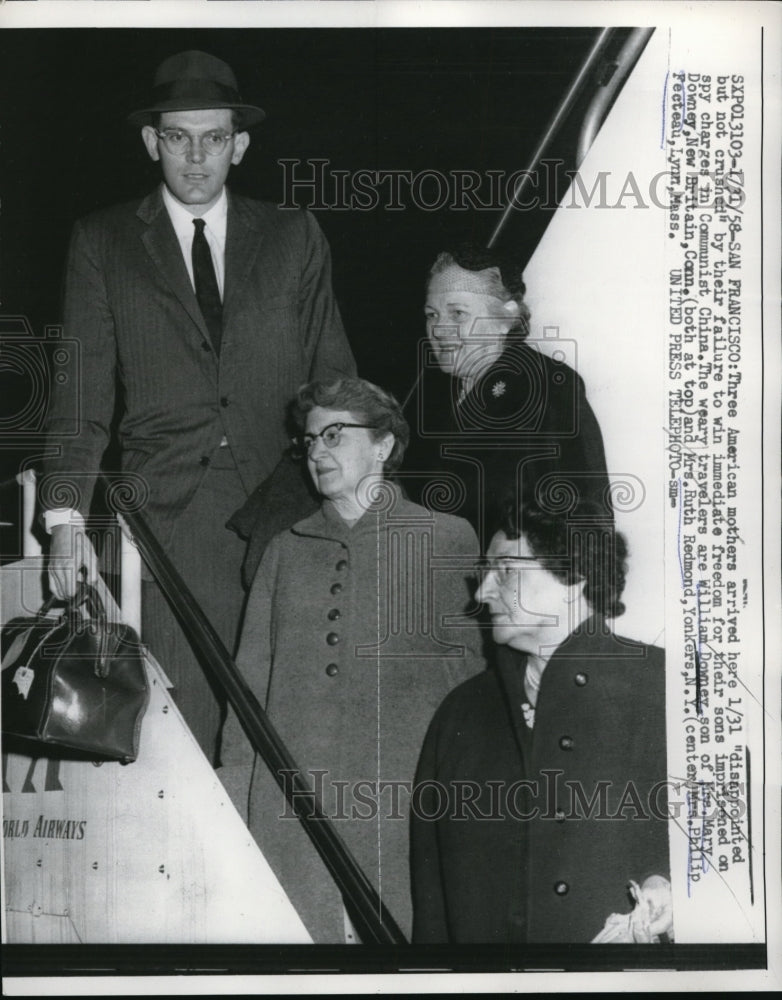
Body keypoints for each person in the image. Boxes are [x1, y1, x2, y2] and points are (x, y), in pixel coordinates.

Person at [39, 50, 356, 765]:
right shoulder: (103, 242)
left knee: (290, 730)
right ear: (152, 141)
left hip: (286, 511)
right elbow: (81, 395)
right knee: (180, 738)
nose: (196, 156)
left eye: (213, 138)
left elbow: (333, 379)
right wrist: (64, 521)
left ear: (239, 146)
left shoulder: (294, 235)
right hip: (170, 525)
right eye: (178, 137)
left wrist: (351, 494)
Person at [220, 377, 485, 943]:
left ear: (383, 445)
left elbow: (473, 685)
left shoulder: (446, 539)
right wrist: (236, 789)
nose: (316, 451)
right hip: (292, 804)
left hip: (400, 802)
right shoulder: (284, 548)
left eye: (334, 435)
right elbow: (248, 685)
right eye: (308, 440)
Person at [410, 496, 671, 944]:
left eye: (505, 569)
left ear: (574, 576)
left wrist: (669, 892)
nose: (482, 591)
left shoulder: (666, 688)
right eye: (485, 572)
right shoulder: (461, 713)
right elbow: (432, 914)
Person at [407, 242, 612, 548]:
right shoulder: (429, 396)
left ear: (506, 318)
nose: (439, 329)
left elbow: (587, 520)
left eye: (458, 314)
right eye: (432, 315)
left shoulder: (549, 387)